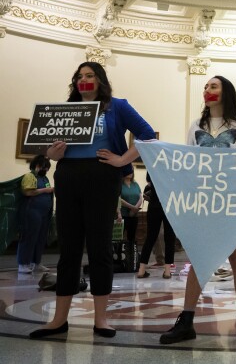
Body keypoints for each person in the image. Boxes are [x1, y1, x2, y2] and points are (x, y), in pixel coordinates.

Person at [30, 61, 155, 339]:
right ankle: (59, 320)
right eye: (79, 76)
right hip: (68, 176)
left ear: (100, 80)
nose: (83, 80)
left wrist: (123, 159)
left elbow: (147, 134)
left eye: (90, 75)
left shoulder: (117, 105)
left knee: (99, 248)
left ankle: (101, 319)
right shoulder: (65, 110)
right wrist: (52, 154)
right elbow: (48, 150)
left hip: (102, 177)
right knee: (69, 249)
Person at [160, 76, 236, 347]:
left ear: (225, 92)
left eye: (213, 86)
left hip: (229, 204)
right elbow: (190, 163)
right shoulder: (196, 126)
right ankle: (187, 321)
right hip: (203, 202)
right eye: (205, 86)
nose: (207, 90)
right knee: (198, 260)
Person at [17, 155, 53, 274]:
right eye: (45, 167)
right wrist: (45, 190)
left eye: (47, 168)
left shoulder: (45, 179)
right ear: (37, 166)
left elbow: (48, 190)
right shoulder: (29, 176)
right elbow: (27, 192)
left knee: (41, 238)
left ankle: (36, 263)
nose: (46, 170)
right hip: (32, 212)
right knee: (29, 238)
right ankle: (23, 264)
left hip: (44, 213)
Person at [136, 173, 176, 279]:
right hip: (169, 205)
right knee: (169, 238)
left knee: (150, 237)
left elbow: (149, 181)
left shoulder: (153, 164)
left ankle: (141, 270)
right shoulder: (172, 167)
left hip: (154, 205)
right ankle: (167, 271)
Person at [118, 171, 142, 244]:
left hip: (134, 216)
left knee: (132, 238)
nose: (131, 172)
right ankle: (119, 254)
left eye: (132, 171)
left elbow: (140, 198)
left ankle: (131, 254)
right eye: (128, 170)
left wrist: (134, 209)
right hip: (122, 216)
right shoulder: (119, 185)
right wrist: (133, 208)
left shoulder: (135, 184)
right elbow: (119, 199)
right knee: (119, 238)